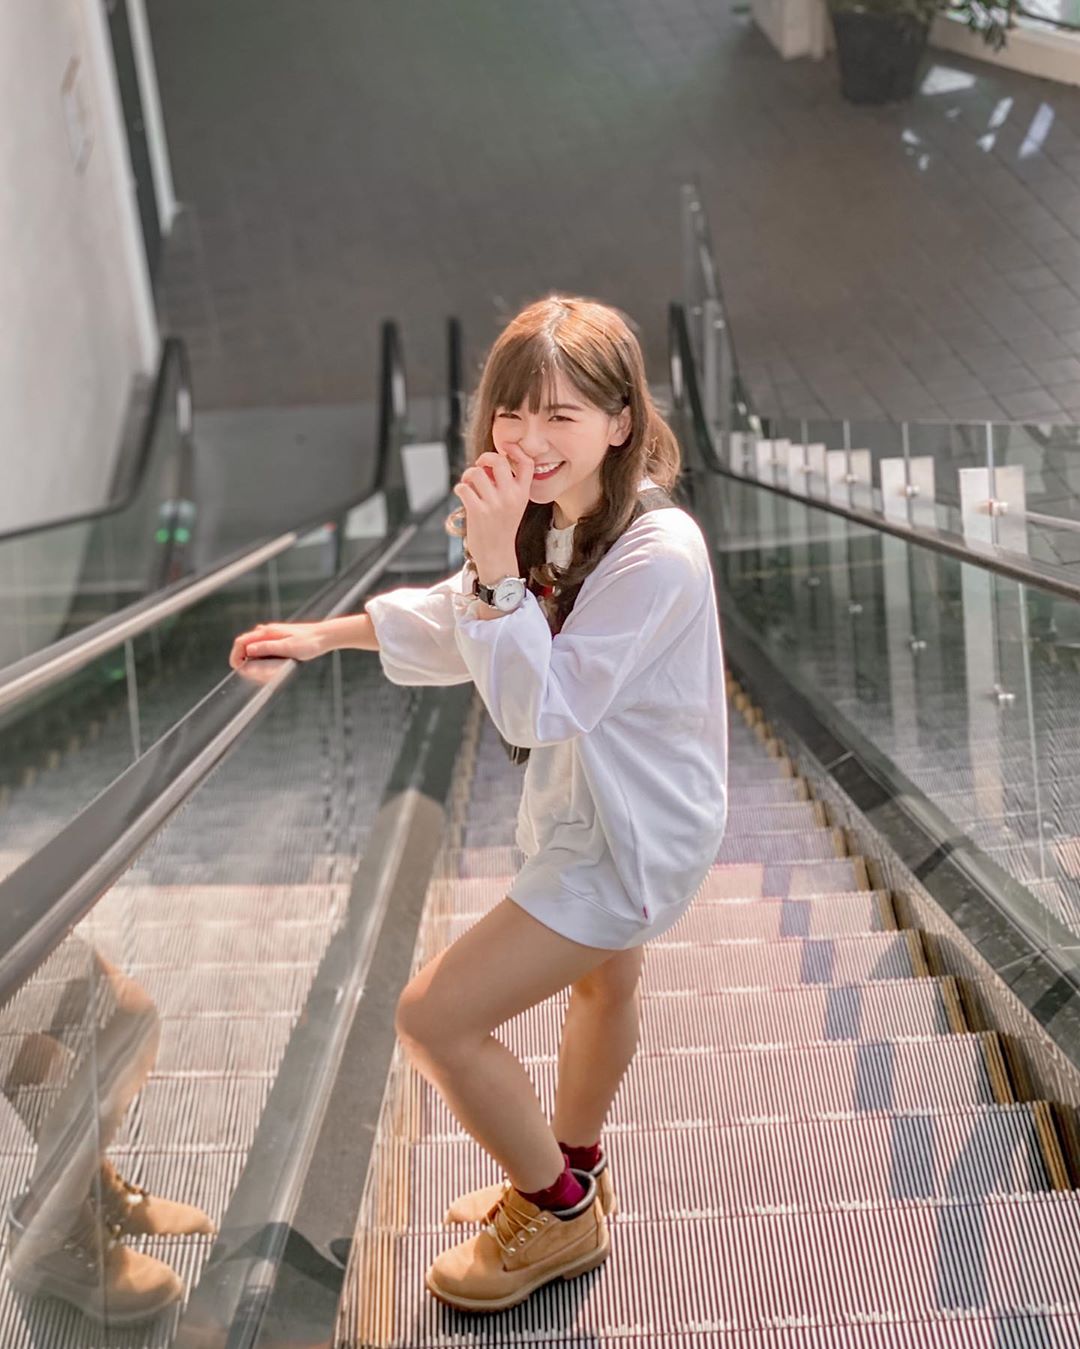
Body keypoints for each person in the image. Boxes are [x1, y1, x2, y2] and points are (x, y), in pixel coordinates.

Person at [229, 295, 728, 1314]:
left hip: (631, 838)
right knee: (604, 988)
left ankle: (554, 1211)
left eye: (562, 414)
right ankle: (574, 1167)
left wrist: (498, 560)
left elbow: (543, 702)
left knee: (434, 1017)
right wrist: (326, 635)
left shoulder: (656, 552)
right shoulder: (564, 516)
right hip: (603, 814)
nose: (529, 438)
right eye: (513, 410)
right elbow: (460, 617)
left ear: (621, 421)